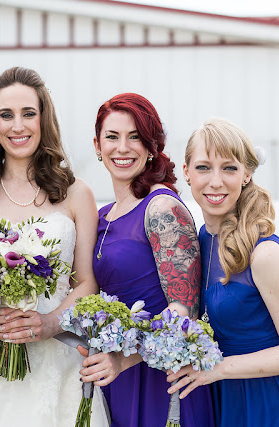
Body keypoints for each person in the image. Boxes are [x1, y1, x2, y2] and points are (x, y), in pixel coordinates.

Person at [0, 67, 109, 426]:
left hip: (56, 360)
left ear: (44, 120)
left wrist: (49, 323)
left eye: (29, 114)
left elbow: (86, 282)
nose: (18, 125)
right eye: (6, 115)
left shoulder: (76, 193)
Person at [167, 117, 279, 425]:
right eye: (204, 167)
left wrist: (216, 369)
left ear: (246, 174)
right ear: (186, 172)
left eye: (229, 168)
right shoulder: (198, 241)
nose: (215, 181)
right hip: (229, 398)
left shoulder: (264, 253)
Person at [79, 93, 215, 426]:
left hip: (160, 376)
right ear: (97, 145)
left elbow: (185, 311)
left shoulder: (162, 208)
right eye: (112, 137)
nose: (122, 147)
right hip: (114, 373)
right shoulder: (102, 216)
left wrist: (123, 359)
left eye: (135, 137)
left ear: (152, 145)